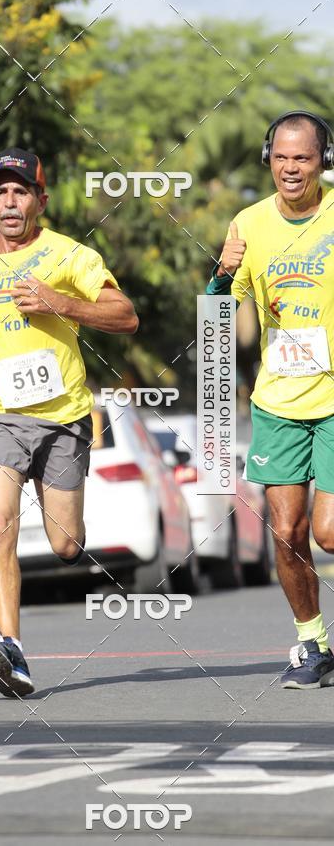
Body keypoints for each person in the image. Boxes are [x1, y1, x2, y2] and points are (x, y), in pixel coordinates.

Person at [0, 147, 138, 697]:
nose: (10, 201)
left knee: (66, 544)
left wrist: (60, 303)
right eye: (0, 192)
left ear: (40, 201)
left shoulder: (70, 255)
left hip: (62, 416)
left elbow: (126, 315)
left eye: (20, 191)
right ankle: (11, 649)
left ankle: (21, 629)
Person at [206, 111, 334, 689]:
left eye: (302, 157)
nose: (290, 168)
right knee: (287, 531)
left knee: (328, 532)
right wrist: (220, 274)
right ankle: (314, 644)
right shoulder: (249, 223)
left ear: (323, 161)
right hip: (278, 401)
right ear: (268, 159)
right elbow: (217, 312)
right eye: (281, 157)